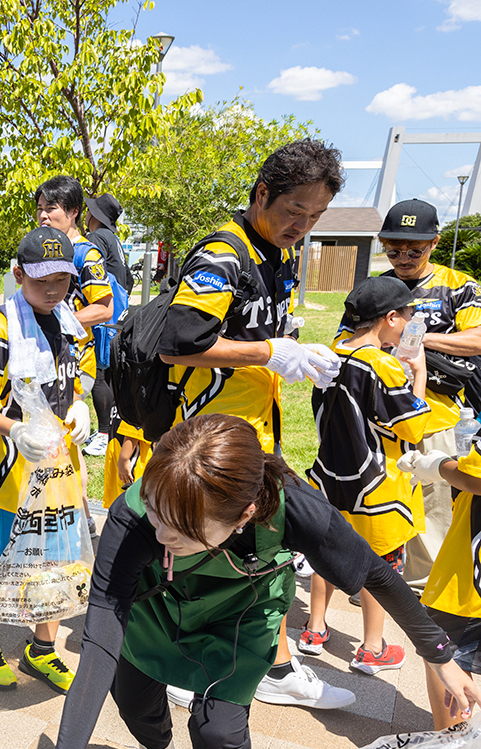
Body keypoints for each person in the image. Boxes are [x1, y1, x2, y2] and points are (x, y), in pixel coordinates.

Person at [38, 414, 480, 749]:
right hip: (155, 611)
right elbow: (98, 640)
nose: (160, 534)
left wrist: (439, 654)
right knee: (131, 696)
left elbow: (375, 574)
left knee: (218, 734)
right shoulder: (134, 517)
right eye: (156, 510)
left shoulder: (297, 509)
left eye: (181, 529)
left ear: (244, 516)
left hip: (241, 616)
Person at [157, 139, 346, 706]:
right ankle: (187, 664)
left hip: (259, 430)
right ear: (263, 193)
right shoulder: (222, 254)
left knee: (262, 547)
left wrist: (295, 355)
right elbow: (177, 344)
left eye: (316, 217)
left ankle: (274, 666)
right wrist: (269, 353)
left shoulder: (282, 256)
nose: (304, 227)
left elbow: (261, 330)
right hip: (210, 437)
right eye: (295, 212)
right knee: (203, 546)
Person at [0, 227, 92, 694]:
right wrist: (15, 428)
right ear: (18, 275)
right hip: (12, 472)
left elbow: (78, 376)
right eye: (42, 281)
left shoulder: (67, 321)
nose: (54, 289)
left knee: (56, 561)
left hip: (56, 468)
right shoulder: (1, 330)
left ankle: (42, 649)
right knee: (5, 560)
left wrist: (80, 404)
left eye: (62, 278)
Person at [303, 277, 429, 675]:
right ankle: (373, 648)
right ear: (391, 318)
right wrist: (418, 374)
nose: (411, 323)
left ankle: (313, 629)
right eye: (408, 316)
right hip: (377, 488)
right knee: (381, 566)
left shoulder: (331, 352)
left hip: (328, 475)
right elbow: (413, 426)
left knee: (327, 553)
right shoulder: (382, 363)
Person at [356, 199, 481, 592]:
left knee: (433, 500)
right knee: (379, 494)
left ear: (435, 243)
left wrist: (418, 337)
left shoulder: (458, 286)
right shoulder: (373, 289)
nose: (403, 257)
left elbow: (477, 338)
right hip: (377, 413)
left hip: (437, 411)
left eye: (415, 249)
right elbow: (347, 336)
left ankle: (423, 590)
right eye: (393, 249)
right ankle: (379, 584)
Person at [400, 443, 481, 730]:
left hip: (470, 578)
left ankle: (454, 746)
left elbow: (476, 479)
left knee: (444, 646)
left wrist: (438, 466)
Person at [34, 176, 114, 457]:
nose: (43, 215)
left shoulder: (85, 254)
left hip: (77, 364)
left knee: (63, 443)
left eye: (51, 208)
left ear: (74, 212)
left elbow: (105, 308)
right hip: (45, 356)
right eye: (40, 207)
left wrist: (60, 321)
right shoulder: (42, 248)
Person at [86, 192, 131, 294]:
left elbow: (92, 273)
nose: (86, 213)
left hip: (104, 304)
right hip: (118, 303)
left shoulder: (96, 237)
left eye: (89, 210)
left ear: (95, 215)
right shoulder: (113, 238)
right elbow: (129, 279)